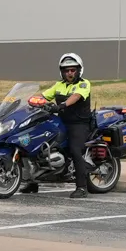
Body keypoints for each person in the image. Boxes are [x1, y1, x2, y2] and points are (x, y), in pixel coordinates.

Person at [30, 52, 100, 194]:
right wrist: (31, 101)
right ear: (61, 72)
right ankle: (31, 182)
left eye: (73, 70)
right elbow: (43, 96)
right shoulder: (58, 85)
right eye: (66, 70)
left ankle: (81, 187)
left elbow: (76, 96)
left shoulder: (84, 84)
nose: (69, 73)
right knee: (36, 144)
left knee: (75, 150)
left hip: (79, 124)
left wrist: (61, 105)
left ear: (79, 70)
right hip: (60, 122)